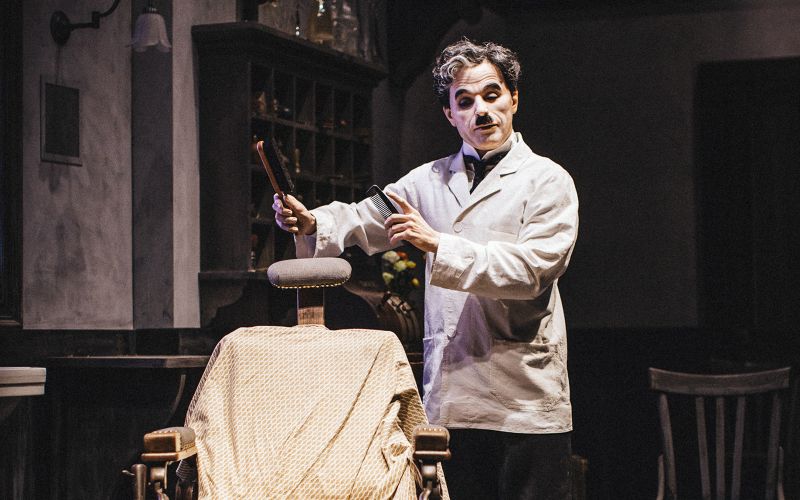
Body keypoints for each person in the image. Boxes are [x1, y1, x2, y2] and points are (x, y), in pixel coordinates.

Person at [273, 38, 579, 499]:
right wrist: (313, 222)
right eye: (464, 101)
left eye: (492, 95)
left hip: (526, 400)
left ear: (514, 98)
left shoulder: (548, 180)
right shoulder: (428, 181)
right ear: (449, 115)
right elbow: (365, 217)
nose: (481, 111)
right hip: (455, 401)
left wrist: (437, 243)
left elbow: (532, 271)